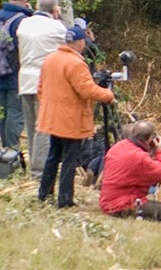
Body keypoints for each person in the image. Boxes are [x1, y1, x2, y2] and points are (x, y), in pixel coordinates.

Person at [37, 24, 114, 207]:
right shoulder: (76, 63)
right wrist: (108, 94)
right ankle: (65, 200)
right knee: (70, 160)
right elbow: (86, 90)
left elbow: (40, 87)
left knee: (53, 156)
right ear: (80, 42)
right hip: (70, 119)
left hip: (52, 117)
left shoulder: (51, 58)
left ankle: (44, 195)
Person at [16, 0, 66, 174]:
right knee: (44, 128)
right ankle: (40, 170)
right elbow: (69, 41)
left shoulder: (24, 24)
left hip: (25, 79)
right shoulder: (56, 27)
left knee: (31, 127)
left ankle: (34, 165)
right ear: (55, 9)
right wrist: (58, 18)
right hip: (44, 81)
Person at [0, 0, 33, 151]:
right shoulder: (22, 20)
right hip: (14, 74)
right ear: (26, 0)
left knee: (3, 113)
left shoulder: (1, 16)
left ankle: (4, 151)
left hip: (0, 73)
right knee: (15, 113)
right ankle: (12, 151)